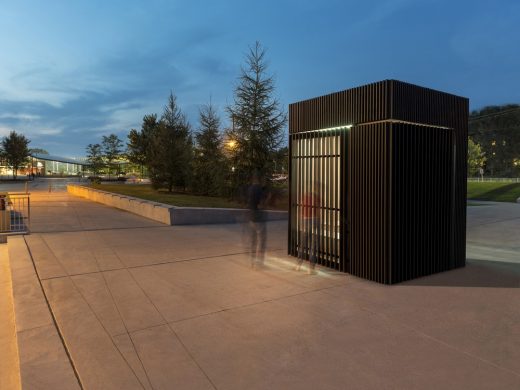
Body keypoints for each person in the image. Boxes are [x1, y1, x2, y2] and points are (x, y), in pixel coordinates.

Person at [296, 182, 321, 274]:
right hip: (314, 220)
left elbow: (301, 210)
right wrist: (318, 222)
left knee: (303, 243)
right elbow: (318, 211)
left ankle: (299, 264)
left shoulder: (305, 196)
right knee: (313, 245)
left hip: (305, 220)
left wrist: (301, 223)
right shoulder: (317, 197)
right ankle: (311, 268)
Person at [247, 173, 267, 269]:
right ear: (259, 179)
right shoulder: (259, 190)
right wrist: (268, 199)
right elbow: (260, 205)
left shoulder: (250, 188)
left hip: (251, 218)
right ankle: (258, 264)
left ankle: (252, 262)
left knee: (253, 241)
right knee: (261, 241)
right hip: (259, 218)